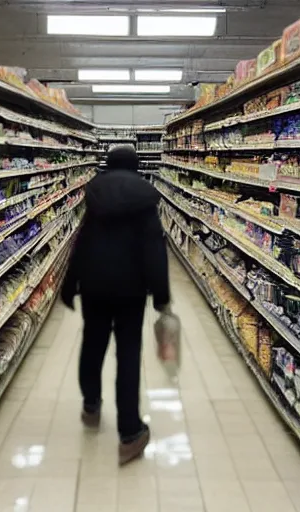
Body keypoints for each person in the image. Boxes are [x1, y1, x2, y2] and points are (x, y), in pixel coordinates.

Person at [61, 145, 170, 465]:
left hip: (94, 286)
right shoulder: (144, 198)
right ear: (136, 166)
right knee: (128, 356)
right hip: (131, 291)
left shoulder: (95, 196)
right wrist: (161, 294)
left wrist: (69, 285)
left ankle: (91, 405)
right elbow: (154, 248)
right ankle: (129, 433)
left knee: (92, 344)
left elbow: (82, 241)